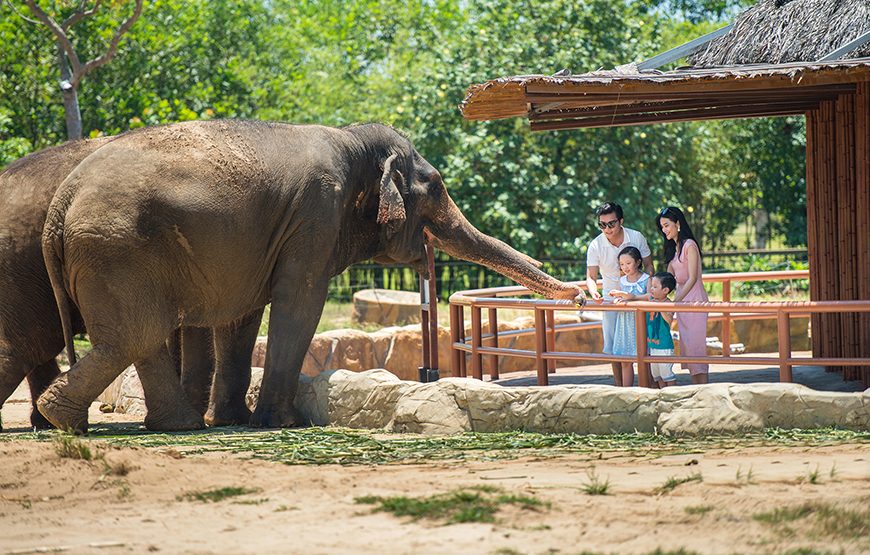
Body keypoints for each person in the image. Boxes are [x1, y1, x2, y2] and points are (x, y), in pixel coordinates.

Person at [584, 202, 654, 386]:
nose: (606, 228)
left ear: (621, 221)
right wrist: (594, 293)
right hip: (610, 299)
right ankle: (619, 386)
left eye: (611, 224)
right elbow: (591, 276)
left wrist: (649, 289)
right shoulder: (595, 245)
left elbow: (649, 265)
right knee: (614, 346)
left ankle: (649, 383)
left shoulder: (636, 237)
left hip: (639, 296)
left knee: (644, 341)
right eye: (602, 224)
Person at [656, 206, 709, 384]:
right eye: (662, 227)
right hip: (682, 304)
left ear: (678, 223)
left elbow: (693, 278)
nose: (664, 230)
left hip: (695, 302)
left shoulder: (689, 246)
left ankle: (704, 389)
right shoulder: (674, 248)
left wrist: (673, 303)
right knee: (688, 349)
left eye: (667, 225)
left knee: (696, 348)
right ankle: (698, 388)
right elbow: (669, 279)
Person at [608, 246, 649, 387]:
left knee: (645, 358)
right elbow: (620, 296)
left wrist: (632, 297)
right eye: (622, 264)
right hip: (624, 322)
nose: (625, 267)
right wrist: (617, 299)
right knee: (625, 359)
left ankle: (648, 388)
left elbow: (650, 296)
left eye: (628, 263)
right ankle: (627, 390)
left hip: (641, 322)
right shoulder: (622, 281)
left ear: (637, 262)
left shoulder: (646, 279)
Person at [647, 271, 677, 388]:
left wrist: (660, 307)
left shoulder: (667, 303)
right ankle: (661, 393)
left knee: (667, 374)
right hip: (653, 343)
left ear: (665, 290)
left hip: (664, 345)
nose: (651, 289)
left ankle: (672, 393)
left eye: (655, 287)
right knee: (657, 374)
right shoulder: (651, 301)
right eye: (651, 286)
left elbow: (669, 320)